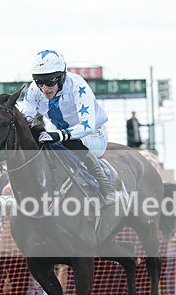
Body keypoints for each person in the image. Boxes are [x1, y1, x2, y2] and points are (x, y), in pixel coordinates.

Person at [21, 49, 116, 206]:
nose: (45, 88)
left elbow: (87, 126)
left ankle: (106, 186)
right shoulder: (33, 90)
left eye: (50, 81)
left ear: (62, 76)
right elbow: (25, 119)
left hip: (93, 136)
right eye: (40, 82)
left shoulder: (78, 86)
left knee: (66, 142)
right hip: (58, 136)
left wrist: (58, 136)